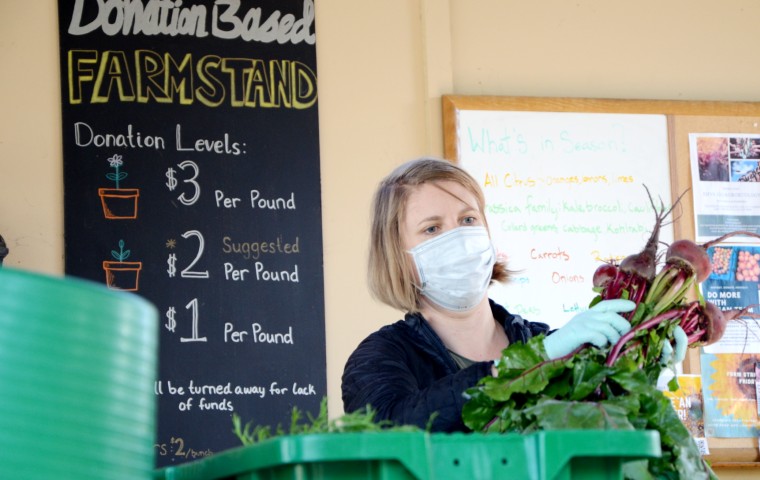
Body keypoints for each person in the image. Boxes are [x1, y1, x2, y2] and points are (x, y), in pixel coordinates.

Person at [341, 157, 656, 432]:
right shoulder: (380, 357)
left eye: (468, 220)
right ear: (397, 255)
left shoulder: (543, 341)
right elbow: (390, 429)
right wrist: (525, 365)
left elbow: (607, 435)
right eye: (432, 229)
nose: (461, 239)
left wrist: (643, 366)